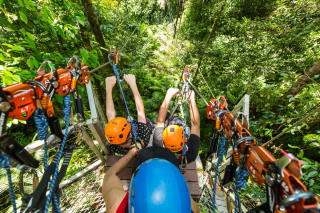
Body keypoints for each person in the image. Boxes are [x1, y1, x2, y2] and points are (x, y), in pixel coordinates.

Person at [102, 146, 200, 213]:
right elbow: (183, 191)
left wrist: (131, 153)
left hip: (143, 159)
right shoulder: (191, 209)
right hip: (167, 160)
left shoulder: (116, 206)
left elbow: (110, 174)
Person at [105, 74, 152, 154]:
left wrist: (108, 88)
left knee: (129, 117)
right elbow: (140, 111)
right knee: (131, 118)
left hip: (129, 151)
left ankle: (130, 119)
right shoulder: (141, 136)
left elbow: (110, 114)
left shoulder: (113, 143)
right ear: (130, 135)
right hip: (146, 145)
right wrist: (133, 84)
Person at [153, 88, 200, 164]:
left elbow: (160, 121)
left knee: (168, 115)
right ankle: (175, 116)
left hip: (170, 126)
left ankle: (171, 115)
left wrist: (168, 95)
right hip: (178, 124)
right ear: (184, 140)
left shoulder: (159, 148)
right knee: (177, 118)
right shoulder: (190, 154)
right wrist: (192, 100)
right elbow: (195, 124)